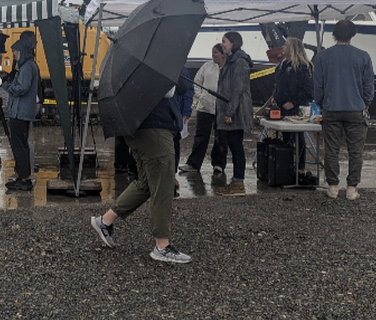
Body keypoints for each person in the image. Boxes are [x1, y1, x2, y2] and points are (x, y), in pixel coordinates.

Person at [90, 79, 192, 264]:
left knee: (145, 183)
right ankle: (162, 245)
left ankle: (105, 221)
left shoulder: (132, 68)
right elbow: (172, 89)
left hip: (138, 128)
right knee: (163, 186)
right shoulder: (160, 60)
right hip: (156, 129)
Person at [313, 19, 374, 200]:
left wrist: (321, 102)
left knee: (331, 149)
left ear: (334, 34)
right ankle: (351, 188)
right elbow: (368, 86)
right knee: (356, 151)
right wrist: (365, 103)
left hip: (331, 108)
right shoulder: (363, 56)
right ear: (352, 34)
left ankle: (333, 186)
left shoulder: (322, 57)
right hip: (356, 109)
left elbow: (318, 86)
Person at [181, 44, 227, 182]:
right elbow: (197, 81)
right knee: (201, 137)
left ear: (223, 54)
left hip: (221, 109)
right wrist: (201, 96)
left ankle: (218, 163)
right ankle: (194, 163)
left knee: (221, 137)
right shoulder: (206, 66)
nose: (213, 55)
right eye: (212, 52)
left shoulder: (228, 69)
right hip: (204, 108)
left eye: (216, 53)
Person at [215, 31, 253, 197]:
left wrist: (229, 112)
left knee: (236, 147)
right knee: (233, 145)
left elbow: (238, 89)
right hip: (231, 109)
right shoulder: (232, 61)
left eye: (224, 41)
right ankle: (236, 181)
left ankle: (238, 183)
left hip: (236, 112)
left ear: (233, 43)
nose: (222, 44)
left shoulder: (239, 62)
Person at [0, 35, 40, 191]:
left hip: (20, 112)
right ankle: (23, 176)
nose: (14, 55)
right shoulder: (26, 66)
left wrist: (6, 86)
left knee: (20, 145)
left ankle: (24, 178)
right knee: (20, 145)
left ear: (23, 51)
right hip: (19, 111)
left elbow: (22, 88)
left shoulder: (27, 67)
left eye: (16, 51)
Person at [271, 38, 315, 180]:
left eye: (286, 45)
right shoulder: (282, 65)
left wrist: (293, 102)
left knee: (298, 137)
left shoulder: (303, 66)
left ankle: (300, 166)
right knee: (286, 137)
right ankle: (286, 165)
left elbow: (308, 90)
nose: (283, 48)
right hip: (281, 106)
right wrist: (275, 97)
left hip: (296, 108)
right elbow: (278, 85)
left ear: (293, 48)